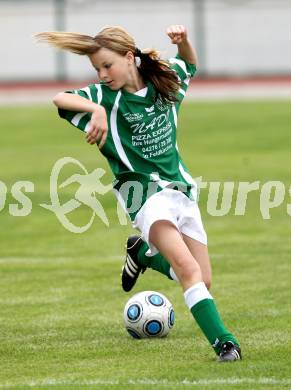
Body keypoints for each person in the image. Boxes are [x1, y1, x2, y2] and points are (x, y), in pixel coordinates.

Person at [36, 25, 241, 362]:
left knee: (202, 279)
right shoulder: (104, 97)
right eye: (97, 69)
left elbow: (189, 64)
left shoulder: (163, 81)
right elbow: (60, 98)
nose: (102, 75)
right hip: (142, 193)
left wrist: (185, 41)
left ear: (129, 57)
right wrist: (96, 110)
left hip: (180, 189)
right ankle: (225, 344)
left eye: (107, 66)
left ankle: (143, 254)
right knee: (189, 271)